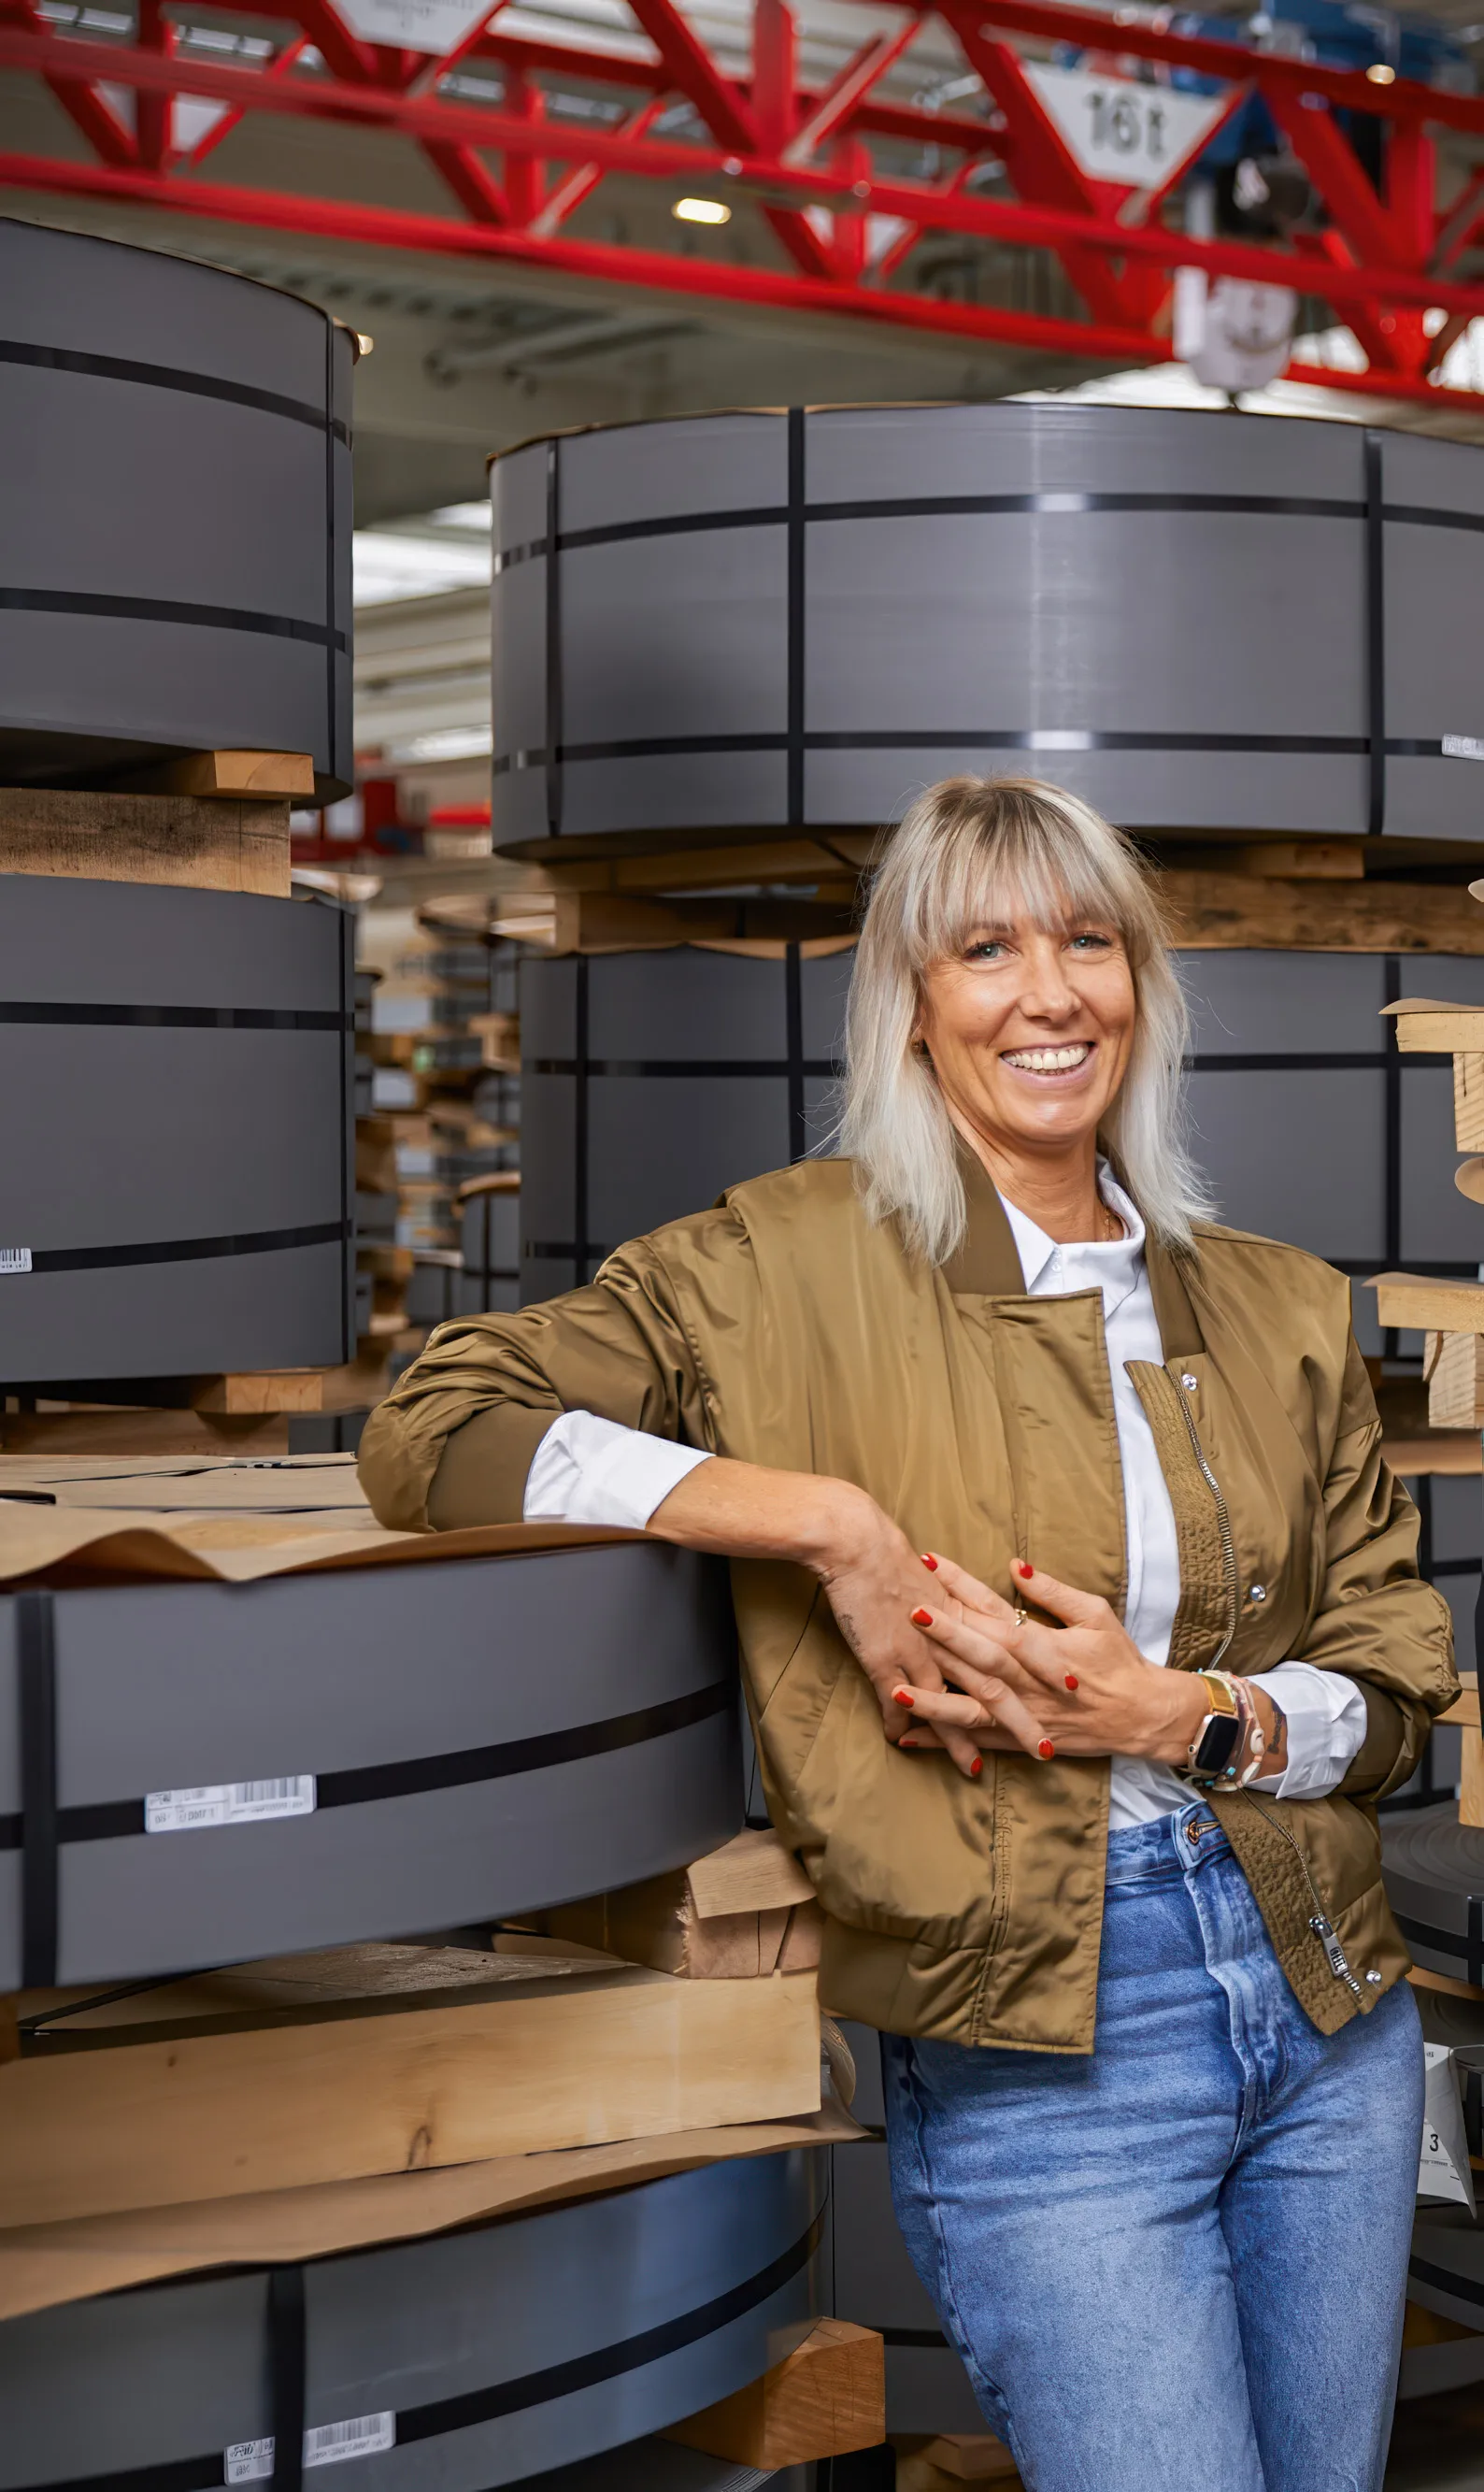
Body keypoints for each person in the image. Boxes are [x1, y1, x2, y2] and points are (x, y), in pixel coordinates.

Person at [359, 776, 1455, 2492]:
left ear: (1141, 986)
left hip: (1329, 2014)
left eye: (1091, 941)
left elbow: (1399, 1689)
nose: (1050, 993)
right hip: (1044, 2046)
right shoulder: (779, 1268)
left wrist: (1190, 1712)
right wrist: (825, 1523)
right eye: (988, 947)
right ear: (911, 998)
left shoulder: (1276, 1300)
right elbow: (438, 1425)